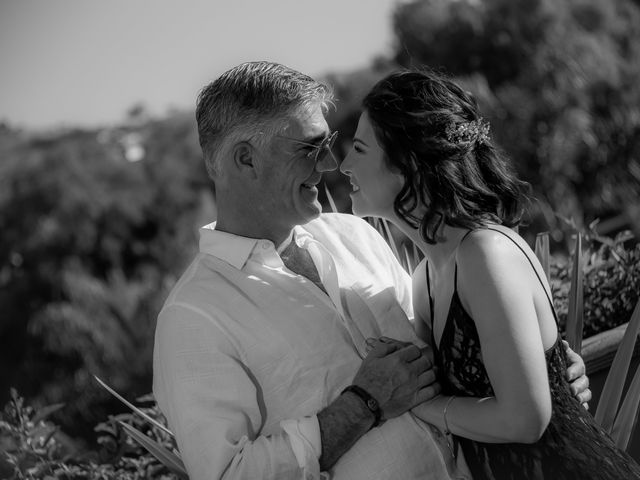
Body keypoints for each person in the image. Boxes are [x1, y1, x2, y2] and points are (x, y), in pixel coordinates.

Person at [152, 61, 590, 480]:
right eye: (310, 148)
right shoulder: (193, 318)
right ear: (246, 160)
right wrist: (363, 403)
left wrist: (548, 373)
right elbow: (229, 475)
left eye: (329, 144)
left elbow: (451, 358)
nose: (328, 165)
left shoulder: (356, 234)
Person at [339, 68, 640, 479]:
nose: (342, 165)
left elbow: (525, 419)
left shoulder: (486, 254)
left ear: (406, 161)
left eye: (358, 148)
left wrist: (417, 404)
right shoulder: (426, 279)